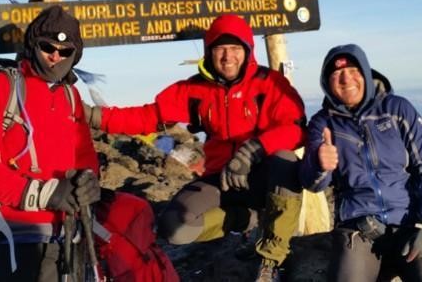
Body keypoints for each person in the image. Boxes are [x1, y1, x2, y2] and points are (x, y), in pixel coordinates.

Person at [84, 14, 306, 282]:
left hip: (263, 175)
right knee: (175, 229)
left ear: (248, 51)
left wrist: (251, 151)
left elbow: (295, 128)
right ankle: (249, 219)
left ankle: (272, 257)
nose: (227, 56)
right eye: (220, 48)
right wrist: (96, 117)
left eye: (236, 48)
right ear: (209, 52)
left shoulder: (269, 83)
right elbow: (148, 117)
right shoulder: (196, 89)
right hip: (221, 177)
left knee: (286, 160)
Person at [0, 5, 101, 282]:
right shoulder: (0, 87)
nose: (55, 56)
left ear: (75, 55)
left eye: (65, 52)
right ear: (32, 45)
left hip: (65, 235)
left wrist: (89, 182)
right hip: (12, 238)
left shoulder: (70, 95)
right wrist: (46, 194)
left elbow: (84, 154)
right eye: (47, 47)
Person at [299, 44, 422, 282]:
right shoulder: (323, 123)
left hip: (411, 225)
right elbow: (312, 183)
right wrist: (320, 165)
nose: (346, 78)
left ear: (367, 74)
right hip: (358, 230)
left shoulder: (397, 109)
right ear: (327, 83)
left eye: (353, 70)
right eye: (336, 74)